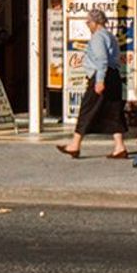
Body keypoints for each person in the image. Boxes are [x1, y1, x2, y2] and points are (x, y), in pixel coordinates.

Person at [58, 8, 127, 159]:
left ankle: (75, 144)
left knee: (87, 108)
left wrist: (100, 80)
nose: (88, 25)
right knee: (113, 110)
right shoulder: (110, 36)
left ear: (95, 23)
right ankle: (119, 146)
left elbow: (101, 59)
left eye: (88, 22)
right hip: (114, 75)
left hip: (101, 75)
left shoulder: (97, 37)